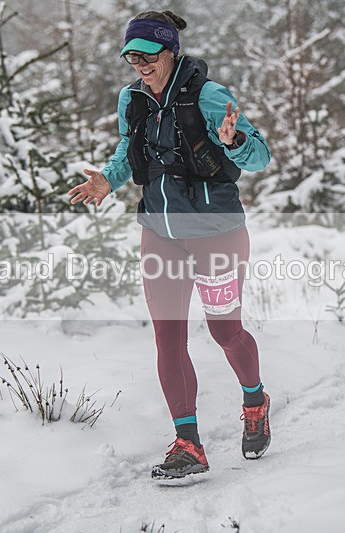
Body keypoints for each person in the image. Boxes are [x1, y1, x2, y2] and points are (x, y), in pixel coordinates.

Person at [68, 10, 272, 479]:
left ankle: (255, 400)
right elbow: (127, 152)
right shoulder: (132, 98)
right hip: (159, 235)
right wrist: (108, 180)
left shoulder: (208, 95)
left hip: (215, 234)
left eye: (146, 54)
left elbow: (259, 155)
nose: (138, 64)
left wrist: (235, 139)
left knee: (225, 332)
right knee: (168, 337)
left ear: (170, 50)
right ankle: (188, 443)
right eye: (130, 56)